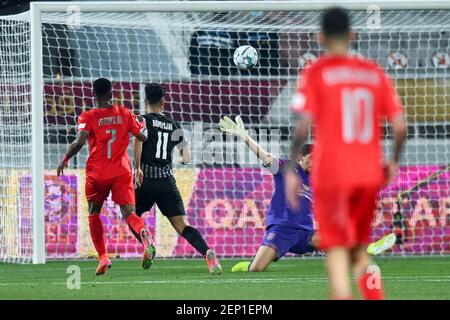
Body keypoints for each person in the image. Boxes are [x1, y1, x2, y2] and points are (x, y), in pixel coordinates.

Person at [285, 8, 407, 300]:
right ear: (353, 35)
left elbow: (302, 127)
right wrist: (393, 161)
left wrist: (291, 169)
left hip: (332, 175)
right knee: (357, 249)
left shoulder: (316, 72)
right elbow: (401, 126)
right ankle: (372, 286)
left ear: (320, 37)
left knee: (337, 250)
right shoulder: (374, 72)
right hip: (368, 174)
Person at [219, 116, 397, 272]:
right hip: (281, 229)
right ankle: (250, 264)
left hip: (305, 233)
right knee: (257, 268)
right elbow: (265, 157)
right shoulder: (286, 168)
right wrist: (245, 137)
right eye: (312, 158)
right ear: (300, 158)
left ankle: (368, 248)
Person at [57, 78, 156, 275]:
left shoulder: (88, 116)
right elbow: (143, 137)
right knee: (129, 213)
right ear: (111, 94)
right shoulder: (125, 113)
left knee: (94, 212)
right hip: (121, 171)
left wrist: (66, 158)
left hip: (98, 173)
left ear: (93, 95)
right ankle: (144, 233)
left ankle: (103, 257)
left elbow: (79, 142)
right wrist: (142, 124)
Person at [132, 83, 222, 275]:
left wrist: (137, 168)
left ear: (146, 100)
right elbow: (186, 158)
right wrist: (179, 159)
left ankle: (146, 240)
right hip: (166, 182)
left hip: (146, 181)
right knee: (183, 226)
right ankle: (207, 253)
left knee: (131, 215)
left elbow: (138, 141)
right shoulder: (175, 125)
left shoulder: (142, 119)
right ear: (163, 102)